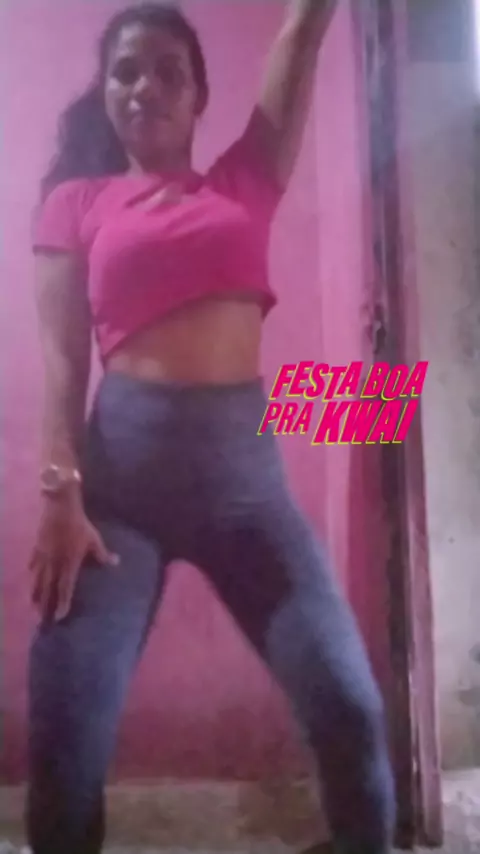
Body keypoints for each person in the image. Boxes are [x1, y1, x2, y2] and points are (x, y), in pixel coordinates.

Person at [27, 2, 396, 852]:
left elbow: (301, 34)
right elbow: (62, 364)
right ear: (105, 91)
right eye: (125, 71)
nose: (144, 87)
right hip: (118, 499)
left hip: (246, 493)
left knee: (349, 707)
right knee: (66, 742)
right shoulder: (76, 203)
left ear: (199, 96)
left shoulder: (246, 178)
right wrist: (60, 494)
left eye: (168, 71)